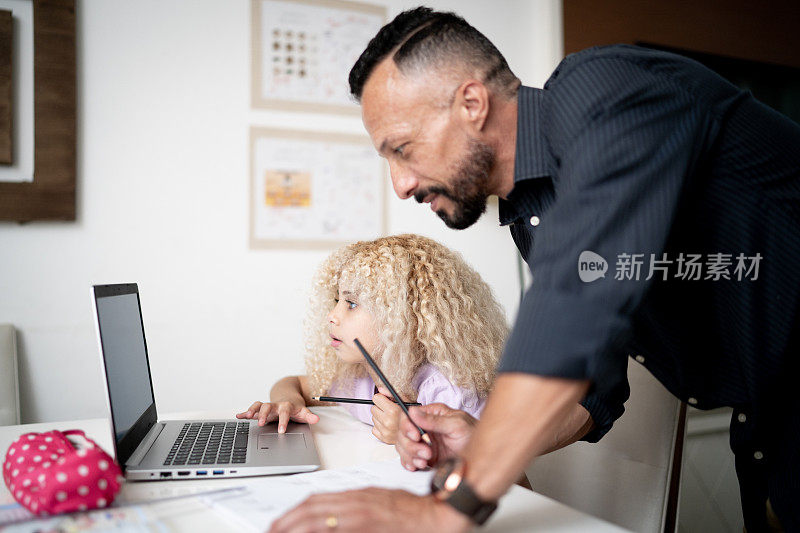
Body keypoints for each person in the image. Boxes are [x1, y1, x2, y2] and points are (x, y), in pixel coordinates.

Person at [268, 6, 800, 533]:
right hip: (770, 431)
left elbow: (574, 311)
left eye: (403, 150)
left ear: (472, 103)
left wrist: (449, 504)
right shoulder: (534, 217)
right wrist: (481, 437)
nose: (400, 185)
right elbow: (595, 392)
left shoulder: (606, 89)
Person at [237, 233, 507, 445]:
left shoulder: (450, 392)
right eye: (336, 300)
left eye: (351, 303)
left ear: (403, 317)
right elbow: (293, 383)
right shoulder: (360, 379)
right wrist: (290, 403)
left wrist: (412, 433)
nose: (332, 315)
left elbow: (506, 475)